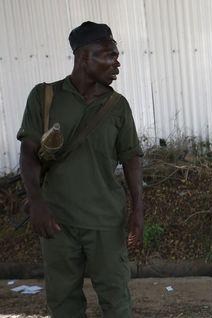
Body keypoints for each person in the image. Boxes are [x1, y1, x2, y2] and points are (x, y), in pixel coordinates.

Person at [18, 21, 143, 317]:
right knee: (64, 304)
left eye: (117, 54)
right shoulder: (45, 98)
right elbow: (28, 154)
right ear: (84, 57)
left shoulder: (117, 106)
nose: (118, 63)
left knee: (117, 303)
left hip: (106, 224)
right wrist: (36, 202)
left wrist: (138, 209)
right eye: (109, 55)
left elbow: (132, 160)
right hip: (57, 222)